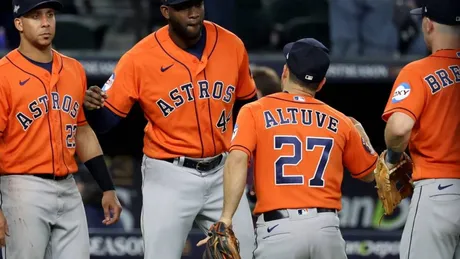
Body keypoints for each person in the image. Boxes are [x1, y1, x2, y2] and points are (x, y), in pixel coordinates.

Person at [83, 0, 257, 258]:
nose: (194, 12)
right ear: (166, 12)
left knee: (246, 253)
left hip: (223, 171)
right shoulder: (139, 58)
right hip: (169, 175)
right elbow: (105, 124)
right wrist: (92, 108)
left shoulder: (231, 45)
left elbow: (249, 107)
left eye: (197, 3)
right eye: (183, 6)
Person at [200, 38, 378, 259]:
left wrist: (226, 218)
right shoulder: (341, 121)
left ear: (285, 71)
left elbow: (236, 160)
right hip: (327, 230)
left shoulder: (255, 111)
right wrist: (361, 132)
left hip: (279, 230)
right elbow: (371, 174)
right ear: (321, 83)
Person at [0, 1, 122, 258]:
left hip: (68, 187)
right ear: (19, 24)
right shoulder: (4, 74)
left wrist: (107, 187)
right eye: (35, 16)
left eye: (50, 15)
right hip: (22, 187)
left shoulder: (74, 69)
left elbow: (82, 130)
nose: (45, 22)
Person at [380, 0, 460, 258]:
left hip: (439, 194)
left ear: (428, 25)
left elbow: (400, 128)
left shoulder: (419, 71)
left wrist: (393, 157)